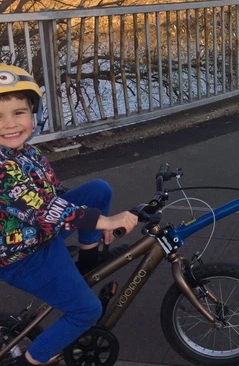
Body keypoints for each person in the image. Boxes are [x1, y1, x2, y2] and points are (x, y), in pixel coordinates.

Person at [0, 64, 138, 366]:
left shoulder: (28, 152)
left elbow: (55, 195)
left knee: (97, 191)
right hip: (22, 255)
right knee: (86, 311)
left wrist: (91, 216)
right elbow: (45, 210)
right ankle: (28, 362)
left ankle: (88, 262)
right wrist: (104, 221)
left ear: (33, 114)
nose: (9, 124)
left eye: (19, 112)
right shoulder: (2, 168)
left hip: (38, 231)